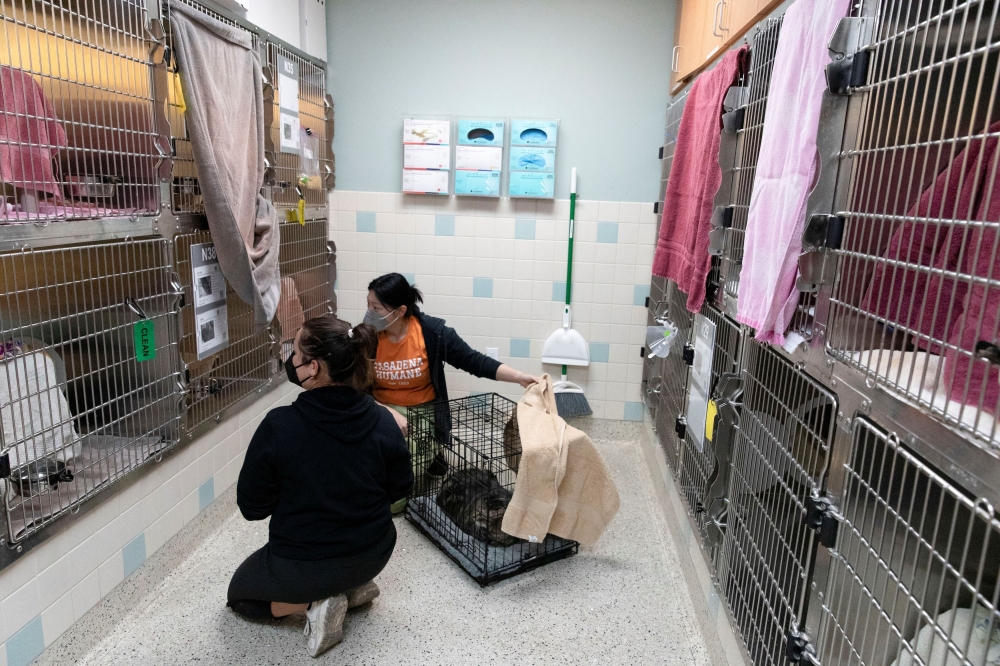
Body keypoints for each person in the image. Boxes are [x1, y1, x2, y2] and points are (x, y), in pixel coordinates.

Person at [227, 315, 413, 658]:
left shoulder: (279, 426)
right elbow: (401, 488)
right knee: (340, 564)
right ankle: (351, 588)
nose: (290, 359)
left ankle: (318, 601)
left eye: (295, 352)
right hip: (374, 553)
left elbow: (252, 508)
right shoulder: (383, 421)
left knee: (240, 596)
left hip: (304, 564)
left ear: (312, 368)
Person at [363, 273, 539, 513]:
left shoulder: (432, 333)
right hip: (379, 409)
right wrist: (385, 412)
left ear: (400, 310)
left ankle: (429, 457)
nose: (369, 312)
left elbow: (473, 360)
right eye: (368, 305)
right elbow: (352, 386)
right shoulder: (366, 337)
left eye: (376, 307)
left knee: (396, 495)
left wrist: (520, 377)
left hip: (421, 413)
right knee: (371, 472)